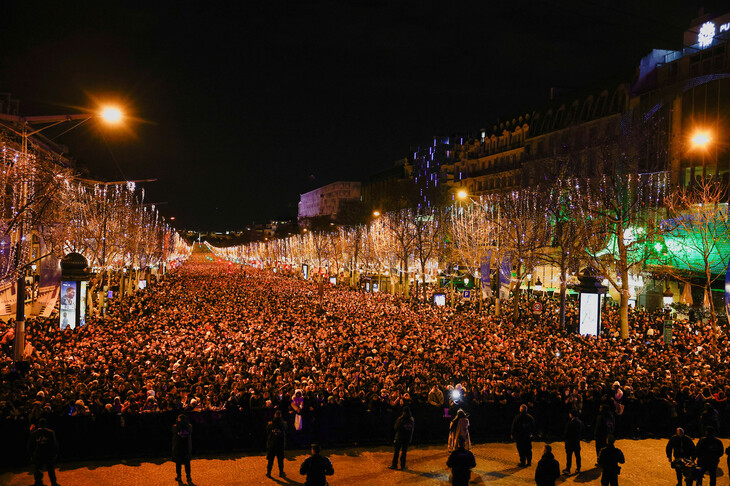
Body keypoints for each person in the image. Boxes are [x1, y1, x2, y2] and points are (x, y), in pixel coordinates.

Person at [27, 418, 59, 486]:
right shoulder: (50, 432)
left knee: (38, 468)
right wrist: (55, 453)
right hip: (48, 453)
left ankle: (38, 482)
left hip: (38, 453)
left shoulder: (34, 433)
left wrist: (31, 454)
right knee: (50, 469)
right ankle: (53, 483)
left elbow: (31, 445)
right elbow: (54, 444)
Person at [266, 410, 288, 477]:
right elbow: (286, 431)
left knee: (270, 460)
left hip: (272, 444)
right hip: (280, 444)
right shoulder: (284, 423)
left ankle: (269, 473)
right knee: (280, 460)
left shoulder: (270, 424)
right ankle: (281, 472)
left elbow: (267, 432)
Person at [171, 414, 192, 483]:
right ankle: (188, 477)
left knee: (178, 463)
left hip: (178, 447)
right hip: (186, 447)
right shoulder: (189, 427)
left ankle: (179, 477)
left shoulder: (175, 427)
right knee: (187, 463)